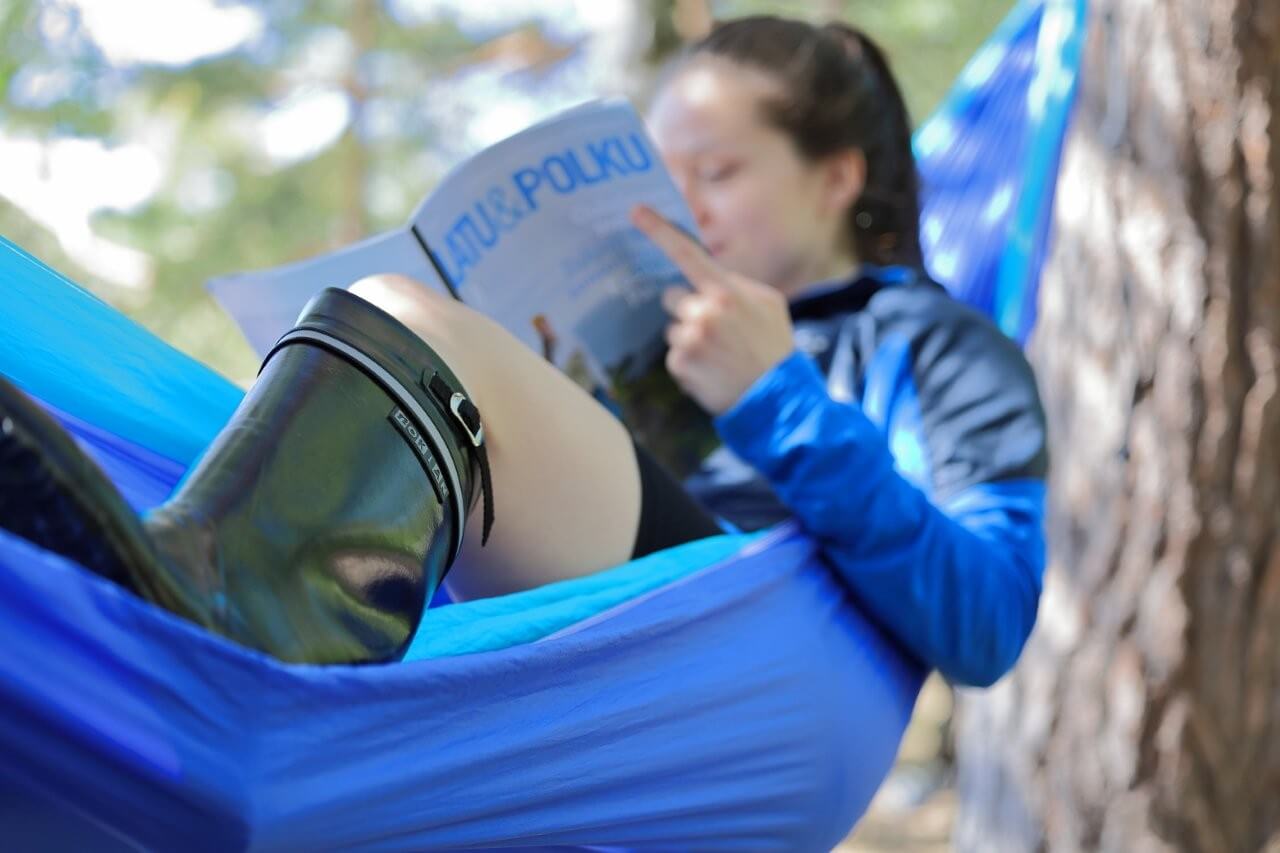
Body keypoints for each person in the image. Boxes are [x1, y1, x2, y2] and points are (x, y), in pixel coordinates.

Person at [0, 16, 1046, 683]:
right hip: (568, 613)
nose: (678, 205)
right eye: (661, 167)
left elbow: (989, 618)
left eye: (718, 172)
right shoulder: (656, 317)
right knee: (310, 380)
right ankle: (158, 560)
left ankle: (217, 610)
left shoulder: (937, 345)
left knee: (398, 314)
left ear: (836, 178)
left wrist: (776, 396)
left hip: (762, 658)